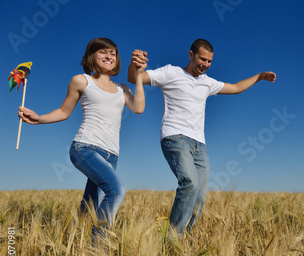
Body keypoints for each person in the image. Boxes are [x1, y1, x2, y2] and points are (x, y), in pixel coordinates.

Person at [127, 38, 276, 235]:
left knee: (200, 196)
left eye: (209, 61)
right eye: (202, 59)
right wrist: (134, 64)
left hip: (200, 145)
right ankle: (173, 237)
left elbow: (236, 88)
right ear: (191, 54)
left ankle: (185, 236)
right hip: (175, 137)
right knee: (189, 183)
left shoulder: (207, 83)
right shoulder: (171, 72)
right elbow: (134, 78)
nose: (205, 64)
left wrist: (259, 77)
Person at [18, 37, 147, 238]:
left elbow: (138, 108)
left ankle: (77, 243)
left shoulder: (123, 89)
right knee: (117, 189)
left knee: (91, 204)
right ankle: (99, 246)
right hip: (85, 148)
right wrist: (39, 119)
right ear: (91, 56)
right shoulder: (82, 80)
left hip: (112, 154)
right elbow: (64, 111)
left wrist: (138, 74)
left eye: (113, 53)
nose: (109, 56)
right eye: (103, 52)